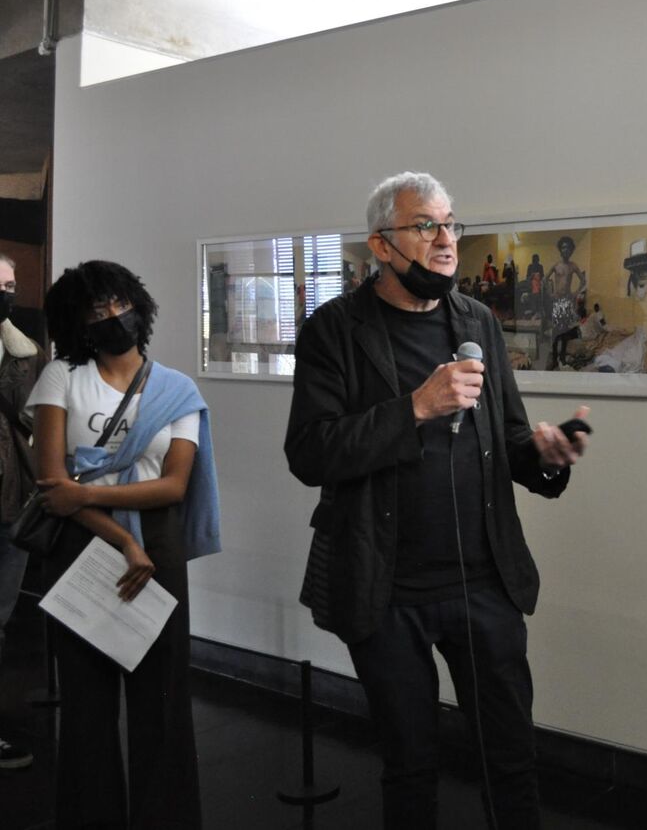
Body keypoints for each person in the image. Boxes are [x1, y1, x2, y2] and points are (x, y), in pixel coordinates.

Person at [285, 171, 589, 829]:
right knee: (411, 764)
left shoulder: (477, 321)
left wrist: (543, 453)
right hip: (385, 588)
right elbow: (309, 453)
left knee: (509, 759)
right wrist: (415, 408)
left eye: (450, 223)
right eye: (425, 225)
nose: (446, 239)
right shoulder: (334, 330)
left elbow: (508, 435)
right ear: (381, 244)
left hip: (484, 581)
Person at [28, 260, 220, 829]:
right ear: (78, 321)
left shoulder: (177, 389)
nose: (114, 316)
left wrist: (90, 497)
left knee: (162, 697)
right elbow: (51, 485)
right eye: (97, 309)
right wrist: (119, 538)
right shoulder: (61, 377)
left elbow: (174, 485)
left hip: (156, 544)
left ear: (139, 306)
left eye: (120, 304)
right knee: (85, 703)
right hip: (81, 542)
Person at [0, 253, 48, 771]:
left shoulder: (23, 349)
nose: (6, 293)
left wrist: (14, 357)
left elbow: (29, 413)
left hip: (11, 498)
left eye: (11, 285)